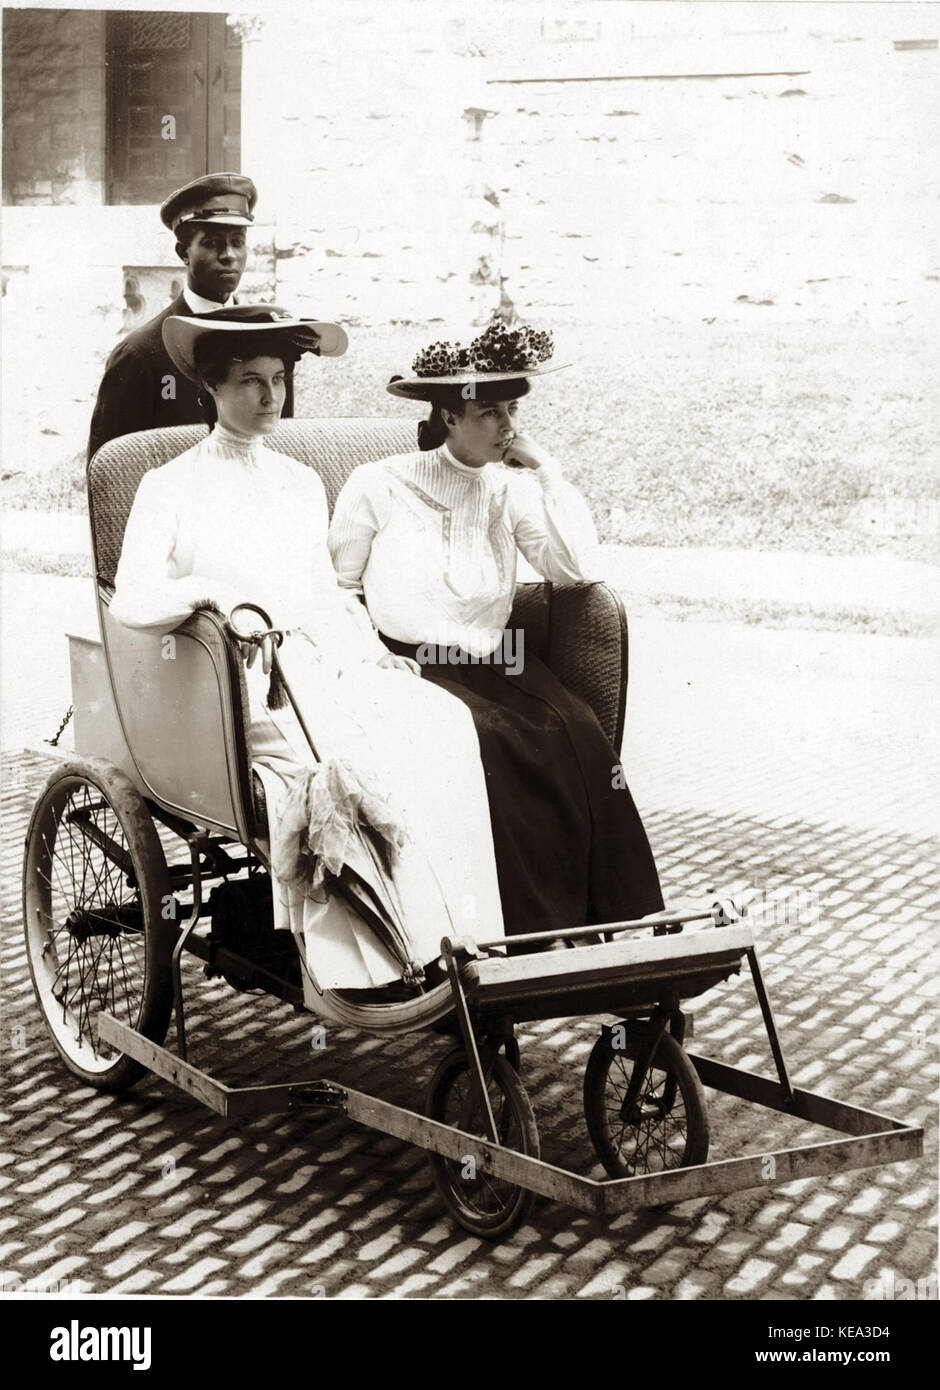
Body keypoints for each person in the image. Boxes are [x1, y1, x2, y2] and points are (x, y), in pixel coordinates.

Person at [108, 305, 504, 993]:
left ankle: (461, 939)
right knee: (337, 766)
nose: (269, 398)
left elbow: (324, 593)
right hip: (240, 684)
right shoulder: (167, 486)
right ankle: (368, 966)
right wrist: (208, 594)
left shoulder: (299, 482)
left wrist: (370, 650)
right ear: (211, 389)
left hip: (323, 663)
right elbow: (136, 597)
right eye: (250, 382)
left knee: (439, 723)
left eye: (279, 380)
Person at [328, 317, 664, 941]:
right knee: (489, 742)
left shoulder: (508, 490)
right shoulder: (378, 484)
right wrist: (369, 654)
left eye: (512, 410)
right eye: (489, 412)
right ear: (449, 416)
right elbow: (339, 588)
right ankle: (518, 932)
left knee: (576, 730)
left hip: (498, 665)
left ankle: (615, 924)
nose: (507, 426)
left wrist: (547, 471)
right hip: (409, 666)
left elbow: (574, 570)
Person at [87, 173, 294, 461]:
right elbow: (109, 473)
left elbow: (279, 446)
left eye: (238, 241)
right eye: (211, 243)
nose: (229, 255)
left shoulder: (270, 342)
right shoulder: (141, 354)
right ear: (184, 252)